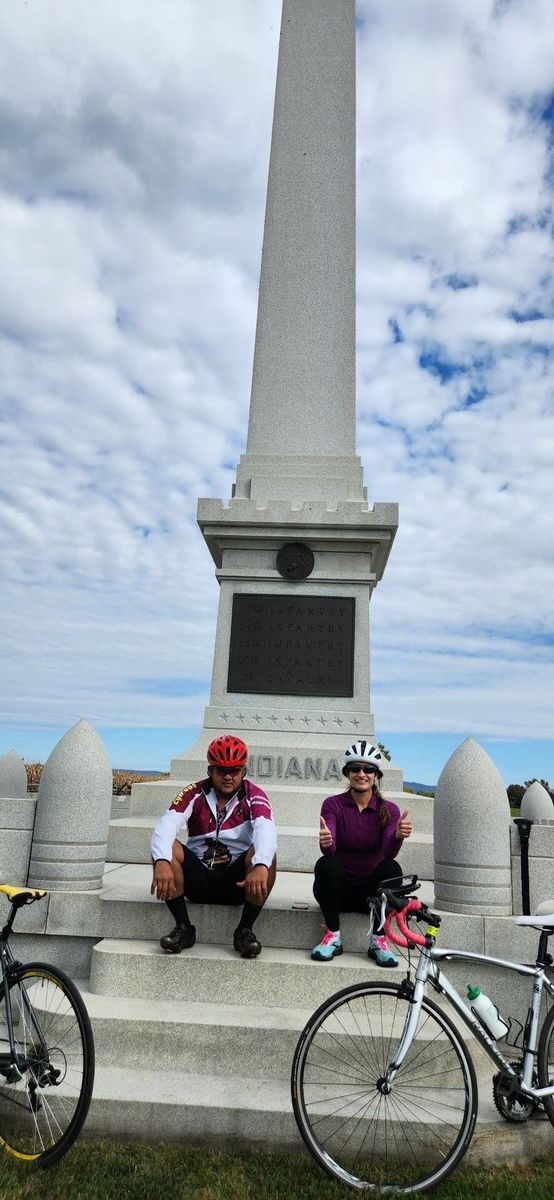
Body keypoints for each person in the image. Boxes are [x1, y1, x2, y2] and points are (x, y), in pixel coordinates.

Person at [150, 735, 277, 959]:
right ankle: (183, 928)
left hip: (236, 883)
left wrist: (261, 864)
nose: (228, 776)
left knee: (266, 855)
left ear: (244, 771)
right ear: (210, 771)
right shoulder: (193, 792)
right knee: (167, 847)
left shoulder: (255, 795)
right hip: (198, 879)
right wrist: (161, 861)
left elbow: (266, 830)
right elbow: (166, 824)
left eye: (234, 770)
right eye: (221, 770)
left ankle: (244, 931)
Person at [311, 741, 412, 966]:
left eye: (368, 769)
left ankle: (378, 940)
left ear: (376, 776)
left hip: (372, 895)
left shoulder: (390, 810)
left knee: (392, 869)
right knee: (326, 863)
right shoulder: (332, 805)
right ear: (347, 773)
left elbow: (388, 853)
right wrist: (326, 842)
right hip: (340, 893)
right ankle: (333, 936)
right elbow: (330, 849)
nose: (361, 774)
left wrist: (397, 836)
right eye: (355, 768)